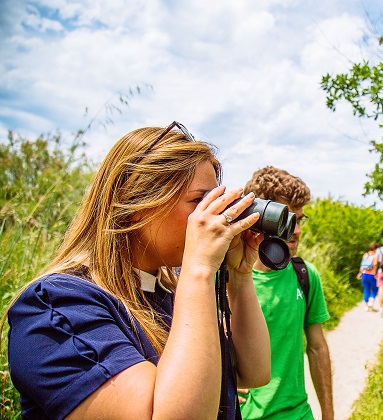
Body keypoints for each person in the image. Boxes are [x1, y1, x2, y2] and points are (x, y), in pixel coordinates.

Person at [5, 122, 271, 419]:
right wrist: (199, 269)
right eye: (200, 201)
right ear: (137, 203)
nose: (214, 215)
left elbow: (255, 372)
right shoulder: (56, 308)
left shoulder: (171, 293)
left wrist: (240, 275)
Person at [238, 166, 333, 420]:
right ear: (259, 216)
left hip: (299, 413)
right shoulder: (222, 280)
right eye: (287, 219)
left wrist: (328, 414)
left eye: (300, 220)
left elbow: (317, 347)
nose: (298, 230)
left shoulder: (305, 275)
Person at [356, 242, 379, 312]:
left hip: (364, 274)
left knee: (366, 289)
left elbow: (362, 265)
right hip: (372, 275)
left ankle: (366, 306)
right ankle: (371, 301)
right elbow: (375, 265)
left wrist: (360, 273)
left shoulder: (365, 255)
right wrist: (376, 273)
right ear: (376, 249)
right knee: (375, 289)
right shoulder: (375, 256)